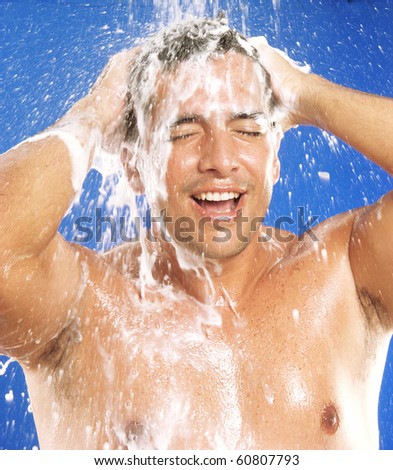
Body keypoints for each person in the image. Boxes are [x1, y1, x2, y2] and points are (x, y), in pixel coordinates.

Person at [0, 17, 392, 450]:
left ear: (275, 158)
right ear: (134, 167)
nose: (221, 159)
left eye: (246, 130)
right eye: (183, 132)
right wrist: (93, 114)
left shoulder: (345, 274)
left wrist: (306, 91)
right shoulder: (81, 306)